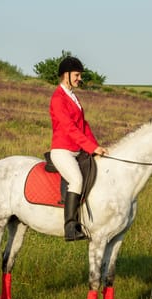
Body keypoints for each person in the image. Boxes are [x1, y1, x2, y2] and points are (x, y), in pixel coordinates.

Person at [49, 56, 108, 241]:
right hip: (62, 150)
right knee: (76, 180)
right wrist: (90, 147)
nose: (79, 78)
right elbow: (69, 128)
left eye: (79, 75)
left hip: (77, 149)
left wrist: (96, 147)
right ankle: (70, 227)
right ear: (65, 75)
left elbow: (84, 125)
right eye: (76, 75)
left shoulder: (73, 97)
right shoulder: (58, 98)